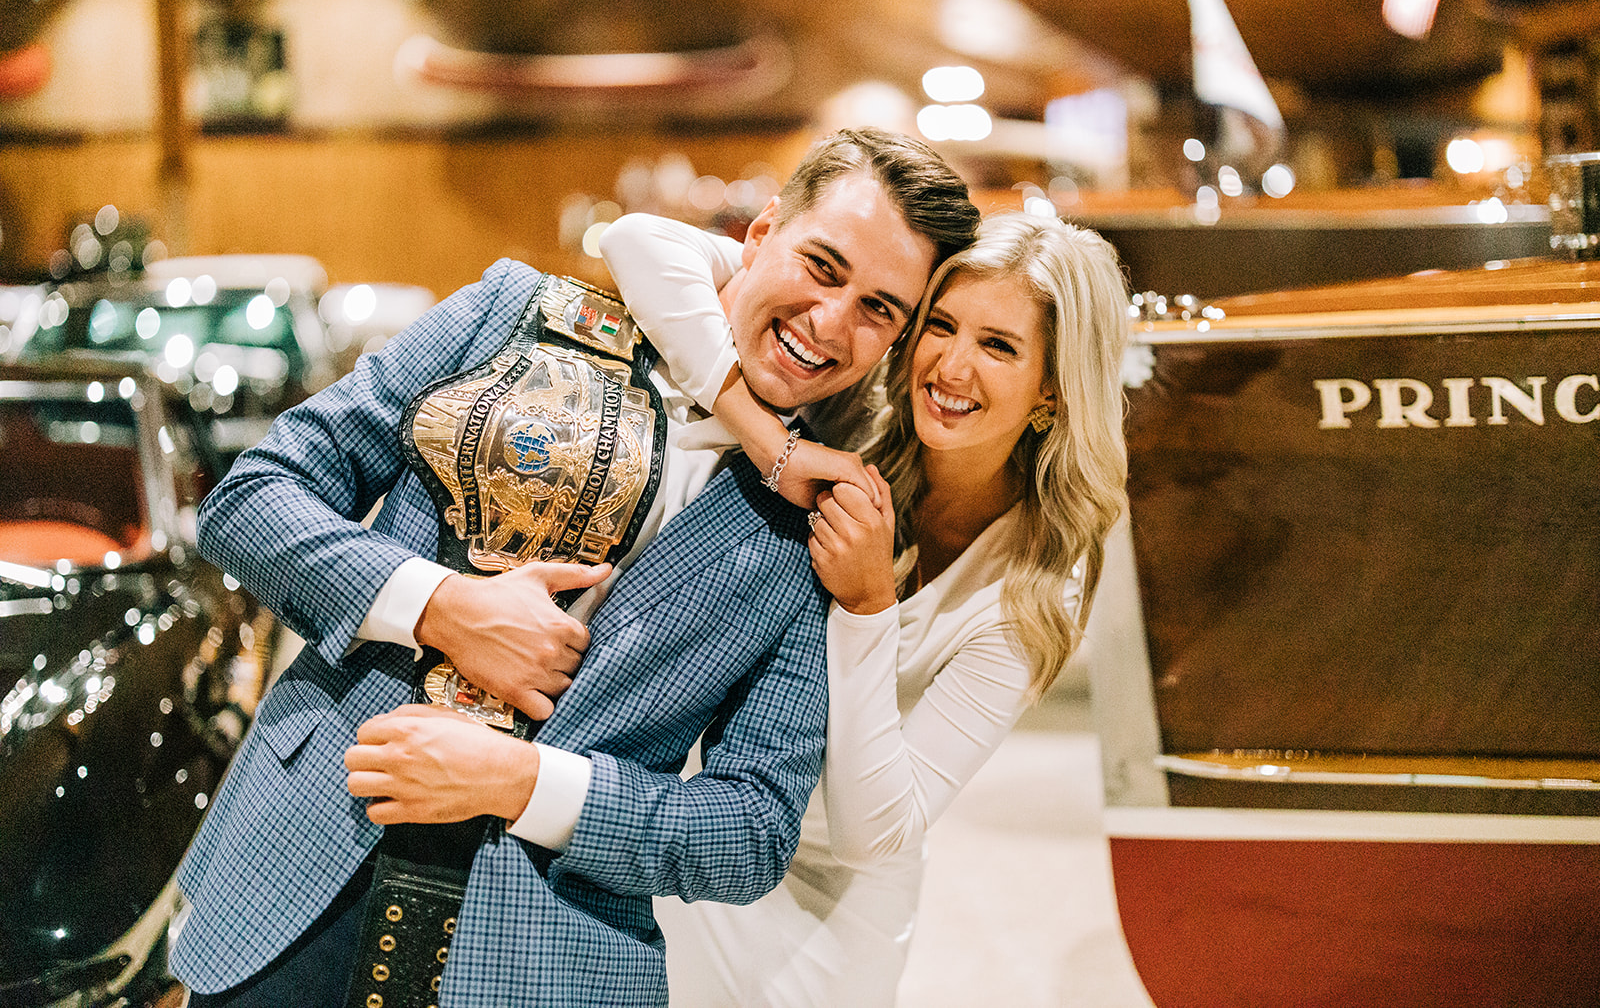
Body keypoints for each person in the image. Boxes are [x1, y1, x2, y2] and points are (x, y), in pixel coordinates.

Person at [168, 127, 980, 1008]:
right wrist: (439, 605)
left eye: (878, 309)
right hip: (299, 869)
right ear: (759, 234)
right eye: (822, 266)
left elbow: (749, 830)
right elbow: (254, 495)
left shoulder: (814, 525)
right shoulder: (511, 314)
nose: (831, 324)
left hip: (542, 961)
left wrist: (528, 784)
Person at [375, 208, 1131, 1006]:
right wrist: (771, 442)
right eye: (941, 325)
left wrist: (869, 607)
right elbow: (637, 242)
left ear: (1051, 389)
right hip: (697, 822)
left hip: (831, 905)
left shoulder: (1039, 580)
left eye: (999, 345)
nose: (950, 364)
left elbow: (874, 832)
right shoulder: (855, 420)